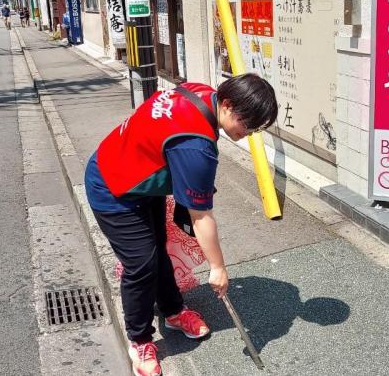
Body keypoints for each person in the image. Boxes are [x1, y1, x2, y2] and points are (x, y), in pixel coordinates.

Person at [84, 74, 277, 376]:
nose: (249, 132)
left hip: (142, 176)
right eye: (247, 124)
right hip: (112, 185)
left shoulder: (202, 92)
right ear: (227, 104)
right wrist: (218, 267)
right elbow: (201, 216)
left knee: (158, 250)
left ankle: (173, 310)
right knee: (141, 265)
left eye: (255, 128)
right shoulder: (196, 147)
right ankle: (139, 339)